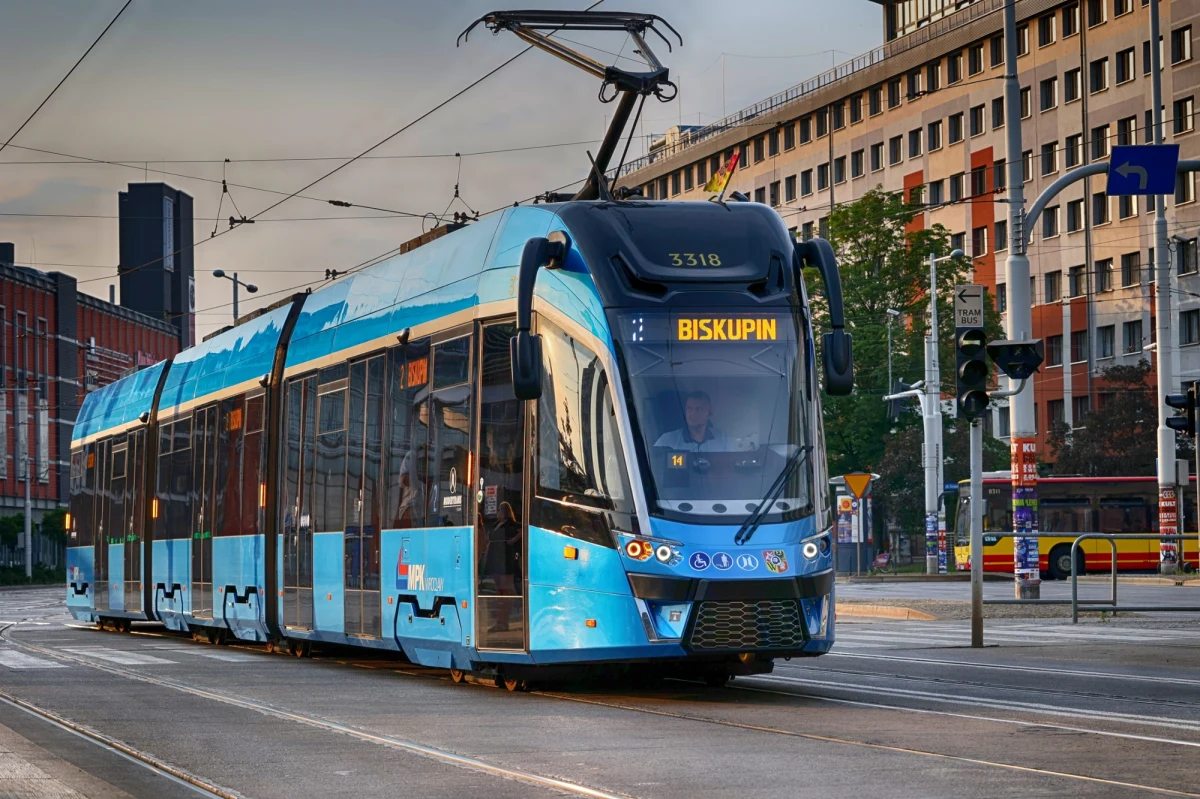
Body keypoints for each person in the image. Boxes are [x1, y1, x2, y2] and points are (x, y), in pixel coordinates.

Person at [654, 390, 730, 451]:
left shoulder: (723, 440)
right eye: (689, 408)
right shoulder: (667, 441)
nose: (693, 413)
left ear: (710, 412)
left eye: (698, 409)